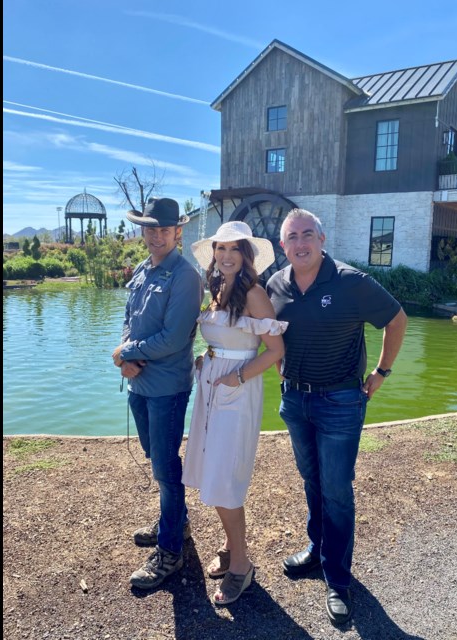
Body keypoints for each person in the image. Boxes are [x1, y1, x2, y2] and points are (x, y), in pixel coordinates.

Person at [265, 208, 408, 625]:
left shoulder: (351, 282)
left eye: (308, 234)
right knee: (312, 480)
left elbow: (397, 319)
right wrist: (281, 371)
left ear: (322, 239)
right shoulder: (275, 284)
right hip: (295, 401)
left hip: (341, 402)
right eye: (292, 237)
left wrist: (382, 372)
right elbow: (270, 336)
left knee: (337, 490)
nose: (301, 243)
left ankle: (338, 578)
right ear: (282, 245)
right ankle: (317, 548)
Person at [182, 221, 287, 605]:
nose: (226, 256)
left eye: (234, 249)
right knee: (212, 468)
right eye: (220, 249)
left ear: (246, 255)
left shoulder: (255, 294)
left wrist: (236, 376)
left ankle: (242, 565)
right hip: (212, 386)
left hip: (236, 391)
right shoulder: (218, 289)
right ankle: (230, 547)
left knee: (225, 477)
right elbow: (223, 339)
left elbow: (275, 351)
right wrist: (204, 359)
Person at [111, 197, 204, 590]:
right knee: (156, 457)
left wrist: (126, 353)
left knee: (166, 468)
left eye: (164, 229)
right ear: (142, 230)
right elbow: (130, 320)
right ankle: (175, 522)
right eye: (150, 228)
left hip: (167, 388)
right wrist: (124, 355)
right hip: (139, 383)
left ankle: (170, 551)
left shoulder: (185, 275)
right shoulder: (143, 270)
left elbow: (174, 337)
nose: (156, 235)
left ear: (177, 232)